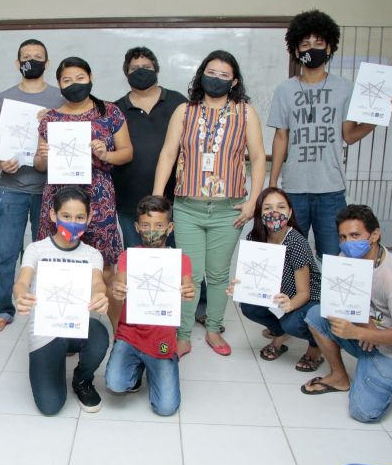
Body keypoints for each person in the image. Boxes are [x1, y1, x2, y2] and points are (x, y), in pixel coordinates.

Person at [154, 50, 266, 357]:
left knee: (217, 274)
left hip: (228, 209)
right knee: (190, 274)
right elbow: (167, 154)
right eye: (210, 72)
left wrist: (253, 201)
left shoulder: (245, 113)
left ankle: (214, 328)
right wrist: (157, 198)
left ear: (234, 82)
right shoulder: (184, 111)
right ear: (201, 74)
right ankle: (184, 333)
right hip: (187, 207)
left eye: (223, 75)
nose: (215, 79)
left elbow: (257, 158)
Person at [267, 9, 392, 258]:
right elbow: (281, 137)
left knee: (333, 256)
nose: (312, 49)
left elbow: (349, 135)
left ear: (330, 48)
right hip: (294, 189)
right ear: (296, 51)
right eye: (305, 44)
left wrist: (381, 113)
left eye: (319, 43)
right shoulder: (284, 90)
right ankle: (296, 297)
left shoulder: (344, 87)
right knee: (288, 255)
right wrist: (274, 184)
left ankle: (326, 298)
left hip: (331, 190)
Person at [300, 205, 392, 423]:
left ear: (375, 234)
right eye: (343, 237)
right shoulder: (347, 259)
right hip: (366, 334)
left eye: (355, 235)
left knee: (363, 412)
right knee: (316, 315)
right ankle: (340, 377)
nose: (348, 243)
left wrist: (360, 332)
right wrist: (363, 323)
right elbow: (341, 301)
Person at [34, 56, 133, 287]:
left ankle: (111, 319)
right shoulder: (50, 118)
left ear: (91, 78)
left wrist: (105, 155)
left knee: (104, 262)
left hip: (99, 198)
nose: (74, 84)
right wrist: (43, 156)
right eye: (67, 80)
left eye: (80, 78)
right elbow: (39, 165)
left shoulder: (109, 112)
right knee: (57, 259)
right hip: (58, 197)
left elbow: (127, 152)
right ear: (59, 84)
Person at [13, 186, 110, 415]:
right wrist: (20, 296)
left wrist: (100, 294)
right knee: (50, 406)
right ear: (53, 215)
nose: (73, 223)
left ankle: (82, 380)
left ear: (89, 219)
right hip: (45, 331)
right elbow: (21, 281)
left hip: (75, 326)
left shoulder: (92, 254)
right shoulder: (36, 249)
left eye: (79, 217)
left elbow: (98, 282)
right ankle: (52, 364)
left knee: (99, 333)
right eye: (66, 216)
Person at [0, 39, 65, 333]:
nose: (31, 60)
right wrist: (0, 161)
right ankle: (4, 309)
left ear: (47, 63)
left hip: (50, 190)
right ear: (17, 63)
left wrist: (54, 122)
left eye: (37, 57)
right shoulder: (4, 98)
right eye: (26, 57)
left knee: (47, 254)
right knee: (6, 253)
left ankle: (47, 308)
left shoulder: (60, 98)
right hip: (12, 186)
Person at [106, 195, 195, 416]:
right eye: (145, 225)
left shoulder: (180, 260)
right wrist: (117, 288)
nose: (151, 230)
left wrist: (188, 290)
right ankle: (137, 366)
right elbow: (120, 280)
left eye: (159, 225)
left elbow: (187, 284)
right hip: (130, 334)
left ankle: (158, 363)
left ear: (170, 227)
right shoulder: (128, 256)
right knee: (116, 384)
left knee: (166, 408)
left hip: (162, 338)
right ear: (137, 227)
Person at [226, 187, 324, 372]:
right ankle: (281, 333)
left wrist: (290, 305)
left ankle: (315, 346)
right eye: (267, 208)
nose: (274, 212)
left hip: (306, 298)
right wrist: (239, 288)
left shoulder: (296, 242)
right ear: (259, 213)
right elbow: (251, 277)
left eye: (281, 207)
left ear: (290, 212)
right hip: (278, 294)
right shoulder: (254, 238)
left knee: (293, 322)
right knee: (247, 306)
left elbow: (304, 292)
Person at [113, 47, 187, 248]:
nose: (141, 71)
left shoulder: (178, 102)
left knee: (181, 262)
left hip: (176, 203)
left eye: (146, 67)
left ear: (156, 69)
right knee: (137, 265)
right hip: (130, 204)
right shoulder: (115, 110)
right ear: (126, 74)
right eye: (134, 68)